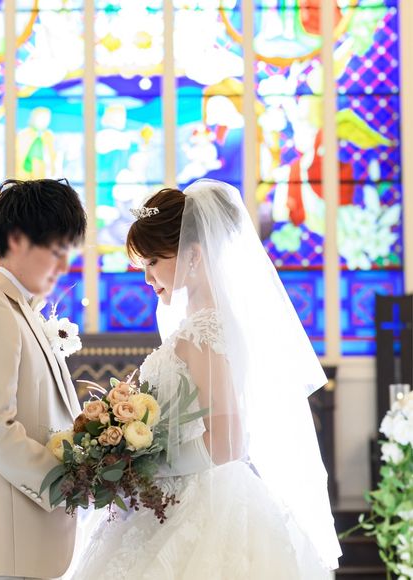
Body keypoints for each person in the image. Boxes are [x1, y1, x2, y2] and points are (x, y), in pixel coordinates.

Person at [71, 179, 341, 579]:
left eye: (152, 262)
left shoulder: (205, 333)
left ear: (193, 255)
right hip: (174, 500)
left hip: (200, 504)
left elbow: (228, 440)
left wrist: (144, 466)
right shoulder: (199, 326)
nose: (146, 278)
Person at [0, 178, 86, 580]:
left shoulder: (22, 311)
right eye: (57, 250)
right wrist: (64, 483)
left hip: (32, 543)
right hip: (13, 544)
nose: (63, 267)